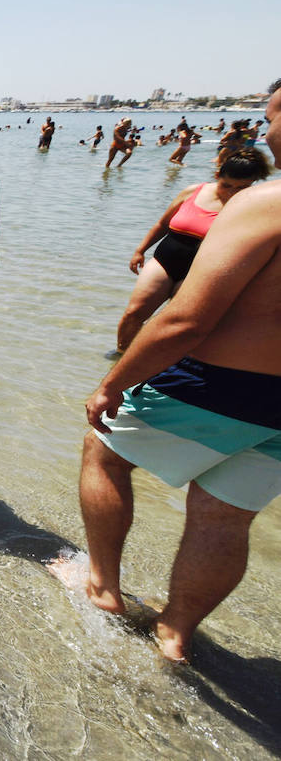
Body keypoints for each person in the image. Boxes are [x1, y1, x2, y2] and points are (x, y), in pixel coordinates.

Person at [77, 165, 281, 661]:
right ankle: (174, 634)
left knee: (104, 453)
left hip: (219, 380)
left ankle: (103, 588)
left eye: (273, 116)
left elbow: (187, 318)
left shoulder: (264, 202)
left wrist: (112, 383)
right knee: (226, 518)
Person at [115, 149, 270, 352]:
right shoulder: (193, 191)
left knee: (173, 323)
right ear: (217, 176)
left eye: (241, 188)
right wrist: (140, 250)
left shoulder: (249, 207)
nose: (232, 192)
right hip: (165, 260)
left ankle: (155, 365)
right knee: (134, 313)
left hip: (202, 269)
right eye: (227, 185)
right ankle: (121, 355)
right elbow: (163, 224)